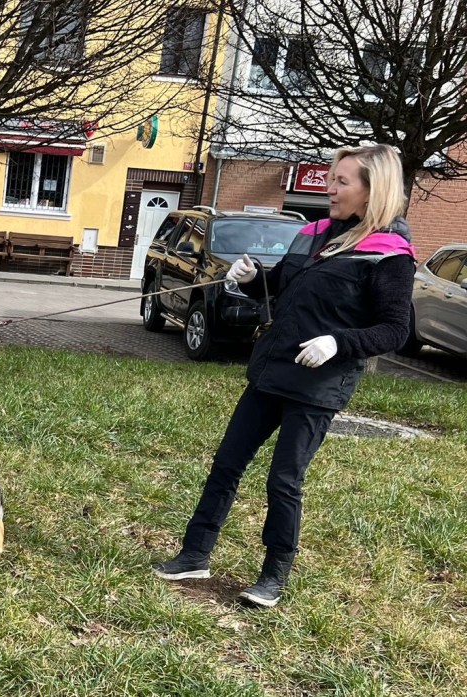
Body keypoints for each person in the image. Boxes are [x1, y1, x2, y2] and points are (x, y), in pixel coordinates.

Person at [150, 144, 417, 608]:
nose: (330, 188)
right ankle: (194, 554)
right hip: (271, 370)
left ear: (374, 190)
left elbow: (395, 329)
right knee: (227, 464)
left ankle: (273, 575)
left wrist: (339, 342)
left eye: (342, 182)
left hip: (317, 387)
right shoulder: (311, 234)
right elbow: (281, 287)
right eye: (331, 178)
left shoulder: (389, 254)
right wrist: (251, 277)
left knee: (283, 481)